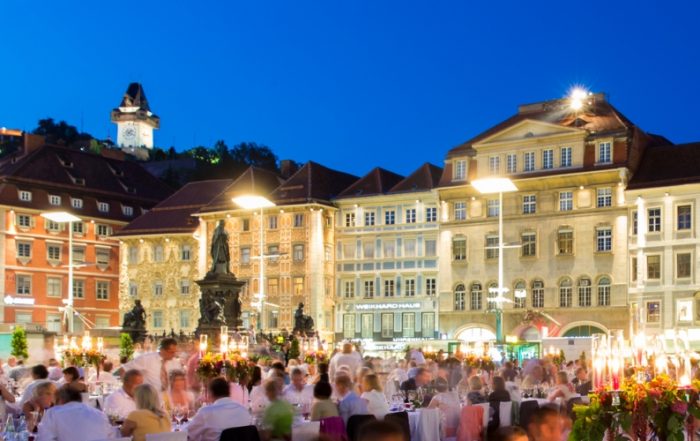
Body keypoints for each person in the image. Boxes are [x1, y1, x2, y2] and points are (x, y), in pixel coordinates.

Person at [37, 386, 113, 441]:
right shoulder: (99, 414)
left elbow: (43, 438)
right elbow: (111, 436)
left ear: (60, 400)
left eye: (55, 402)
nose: (55, 405)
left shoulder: (53, 412)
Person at [187, 377, 252, 441]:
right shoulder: (243, 410)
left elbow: (188, 434)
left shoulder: (206, 412)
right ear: (228, 392)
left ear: (211, 393)